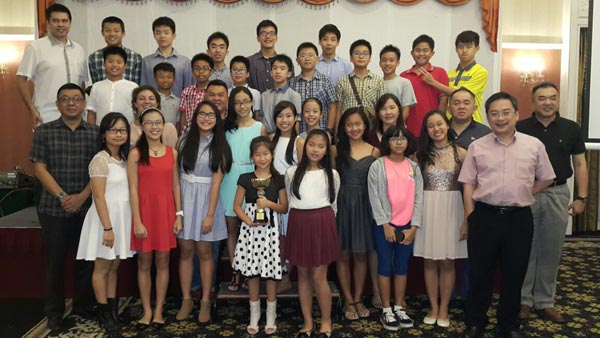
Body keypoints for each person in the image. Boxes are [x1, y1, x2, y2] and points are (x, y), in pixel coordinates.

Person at [458, 92, 555, 338]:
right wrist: (470, 216)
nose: (500, 118)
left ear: (516, 114)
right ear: (488, 117)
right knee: (480, 272)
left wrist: (523, 191)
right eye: (494, 113)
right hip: (484, 216)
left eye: (505, 112)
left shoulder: (533, 145)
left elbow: (547, 178)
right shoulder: (477, 146)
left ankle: (508, 325)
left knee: (514, 273)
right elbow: (468, 183)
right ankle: (475, 322)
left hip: (518, 218)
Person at [517, 82, 588, 323]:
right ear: (533, 102)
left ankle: (545, 301)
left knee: (551, 249)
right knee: (526, 247)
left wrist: (582, 197)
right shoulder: (520, 128)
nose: (548, 102)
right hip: (529, 192)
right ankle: (524, 300)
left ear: (558, 100)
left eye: (552, 97)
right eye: (542, 98)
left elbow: (579, 164)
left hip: (558, 193)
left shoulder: (571, 128)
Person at [29, 83, 98, 333]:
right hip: (53, 208)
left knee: (86, 261)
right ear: (57, 104)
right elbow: (38, 168)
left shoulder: (95, 133)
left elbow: (101, 169)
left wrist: (81, 196)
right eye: (65, 99)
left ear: (83, 104)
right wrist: (62, 195)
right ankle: (54, 314)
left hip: (87, 207)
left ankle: (83, 306)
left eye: (76, 99)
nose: (71, 103)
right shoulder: (44, 132)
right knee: (55, 263)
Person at [76, 112, 134, 331]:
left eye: (122, 130)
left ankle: (112, 308)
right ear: (103, 134)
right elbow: (98, 196)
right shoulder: (100, 160)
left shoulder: (123, 159)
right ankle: (103, 312)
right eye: (113, 130)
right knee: (101, 267)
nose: (118, 134)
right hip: (105, 219)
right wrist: (107, 228)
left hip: (122, 217)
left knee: (114, 266)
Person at [175, 101, 232, 323]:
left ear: (217, 120)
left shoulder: (220, 146)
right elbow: (176, 180)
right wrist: (178, 212)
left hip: (208, 201)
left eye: (211, 115)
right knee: (186, 252)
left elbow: (217, 183)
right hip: (186, 201)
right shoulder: (183, 141)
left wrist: (209, 215)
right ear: (195, 116)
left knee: (205, 253)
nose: (206, 118)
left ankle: (206, 300)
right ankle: (186, 299)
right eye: (202, 114)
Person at [127, 107, 183, 329]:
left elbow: (176, 186)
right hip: (144, 213)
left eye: (157, 122)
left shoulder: (172, 153)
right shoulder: (135, 154)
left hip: (166, 212)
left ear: (164, 125)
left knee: (163, 262)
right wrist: (137, 220)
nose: (153, 126)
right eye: (149, 123)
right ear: (141, 126)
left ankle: (159, 309)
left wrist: (179, 215)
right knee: (143, 263)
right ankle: (146, 310)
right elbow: (132, 189)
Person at [414, 110, 468, 328]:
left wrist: (467, 218)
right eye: (430, 126)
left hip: (453, 207)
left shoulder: (462, 154)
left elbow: (469, 189)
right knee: (429, 260)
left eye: (439, 124)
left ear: (447, 125)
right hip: (427, 208)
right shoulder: (420, 154)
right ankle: (433, 306)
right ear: (426, 130)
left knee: (447, 261)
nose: (436, 129)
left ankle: (444, 307)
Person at [285, 129, 341, 337]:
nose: (315, 149)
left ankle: (326, 321)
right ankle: (308, 321)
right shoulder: (292, 173)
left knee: (319, 276)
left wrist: (325, 226)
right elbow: (291, 201)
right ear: (304, 146)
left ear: (327, 150)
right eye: (311, 145)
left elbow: (333, 205)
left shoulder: (332, 175)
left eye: (320, 146)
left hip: (322, 222)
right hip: (299, 222)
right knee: (303, 275)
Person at [368, 125, 423, 332]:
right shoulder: (378, 165)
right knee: (384, 266)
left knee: (401, 268)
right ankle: (386, 309)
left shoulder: (413, 167)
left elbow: (419, 198)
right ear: (387, 142)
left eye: (402, 138)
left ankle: (399, 307)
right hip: (385, 227)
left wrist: (414, 226)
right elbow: (374, 197)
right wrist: (384, 224)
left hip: (407, 226)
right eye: (394, 138)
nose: (399, 142)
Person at [233, 136, 288, 335]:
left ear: (272, 155)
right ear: (252, 157)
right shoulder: (245, 179)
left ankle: (271, 315)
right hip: (250, 232)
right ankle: (254, 315)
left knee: (271, 274)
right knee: (253, 274)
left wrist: (268, 204)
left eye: (266, 153)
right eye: (258, 154)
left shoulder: (278, 178)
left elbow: (284, 207)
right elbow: (236, 206)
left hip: (270, 232)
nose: (262, 158)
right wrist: (248, 221)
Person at [335, 107, 380, 321]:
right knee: (342, 254)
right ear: (344, 127)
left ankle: (358, 297)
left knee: (361, 254)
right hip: (342, 203)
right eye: (349, 124)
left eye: (358, 124)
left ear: (365, 125)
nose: (354, 128)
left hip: (364, 204)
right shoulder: (336, 150)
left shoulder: (374, 152)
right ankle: (347, 299)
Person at [222, 86, 267, 292]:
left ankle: (252, 271)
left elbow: (264, 157)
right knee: (232, 229)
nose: (241, 106)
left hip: (253, 179)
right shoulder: (225, 128)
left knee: (251, 228)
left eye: (245, 101)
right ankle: (236, 271)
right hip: (230, 178)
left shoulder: (259, 127)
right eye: (237, 102)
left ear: (252, 103)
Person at [17, 4, 87, 128]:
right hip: (47, 115)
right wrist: (31, 109)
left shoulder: (79, 49)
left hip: (76, 117)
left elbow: (82, 83)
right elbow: (21, 80)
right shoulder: (36, 47)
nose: (61, 25)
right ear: (48, 23)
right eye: (56, 21)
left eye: (64, 21)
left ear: (70, 23)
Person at [414, 31, 488, 123]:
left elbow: (461, 94)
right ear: (456, 49)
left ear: (477, 48)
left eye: (469, 47)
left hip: (472, 123)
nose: (464, 51)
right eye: (460, 47)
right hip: (451, 123)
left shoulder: (480, 72)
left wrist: (433, 82)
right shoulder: (449, 73)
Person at [400, 34, 449, 137]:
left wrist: (439, 126)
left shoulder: (440, 72)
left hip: (433, 131)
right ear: (412, 53)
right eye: (418, 50)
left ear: (432, 53)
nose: (421, 53)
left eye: (425, 50)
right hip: (410, 131)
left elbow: (443, 102)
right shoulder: (404, 76)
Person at [290, 42, 339, 132]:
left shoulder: (326, 81)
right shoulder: (291, 83)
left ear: (317, 60)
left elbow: (333, 107)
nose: (307, 58)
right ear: (297, 61)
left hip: (322, 132)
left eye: (311, 55)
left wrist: (329, 130)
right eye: (303, 56)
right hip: (299, 133)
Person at [336, 39, 386, 126]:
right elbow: (339, 109)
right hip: (348, 127)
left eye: (365, 54)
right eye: (357, 53)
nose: (361, 57)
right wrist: (337, 133)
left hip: (371, 127)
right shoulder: (342, 82)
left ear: (370, 58)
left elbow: (382, 108)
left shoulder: (379, 81)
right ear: (351, 58)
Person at [141, 16, 194, 97]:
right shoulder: (147, 61)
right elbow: (143, 88)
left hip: (178, 107)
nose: (162, 36)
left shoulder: (185, 62)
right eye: (158, 33)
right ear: (154, 36)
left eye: (166, 32)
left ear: (174, 35)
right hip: (153, 107)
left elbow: (189, 89)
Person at [87, 46, 138, 124]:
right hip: (101, 131)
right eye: (110, 61)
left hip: (126, 132)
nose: (114, 65)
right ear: (104, 64)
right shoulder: (96, 86)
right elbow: (92, 112)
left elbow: (137, 112)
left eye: (118, 62)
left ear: (125, 66)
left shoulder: (133, 87)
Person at [88, 16, 142, 85]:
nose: (112, 34)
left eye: (116, 31)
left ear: (123, 33)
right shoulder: (94, 57)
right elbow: (95, 85)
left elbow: (137, 86)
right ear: (102, 33)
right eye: (107, 30)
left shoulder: (135, 57)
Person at [261, 54, 302, 134]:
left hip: (286, 136)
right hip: (267, 137)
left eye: (282, 69)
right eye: (275, 68)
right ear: (271, 73)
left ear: (289, 74)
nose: (278, 72)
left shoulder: (294, 95)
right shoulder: (264, 95)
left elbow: (296, 122)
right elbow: (262, 120)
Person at [379, 45, 417, 123]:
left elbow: (406, 111)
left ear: (398, 62)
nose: (387, 63)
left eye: (391, 60)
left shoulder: (404, 83)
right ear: (380, 63)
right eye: (384, 60)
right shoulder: (376, 83)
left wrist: (396, 128)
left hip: (398, 129)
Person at [179, 53, 214, 135]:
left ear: (211, 71)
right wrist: (182, 133)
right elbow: (183, 115)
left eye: (205, 68)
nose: (201, 72)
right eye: (197, 68)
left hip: (209, 132)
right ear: (192, 71)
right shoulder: (186, 91)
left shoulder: (213, 91)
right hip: (189, 132)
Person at [248, 20, 282, 93]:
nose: (268, 36)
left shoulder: (284, 63)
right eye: (264, 33)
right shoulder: (249, 62)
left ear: (276, 38)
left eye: (271, 33)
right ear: (258, 38)